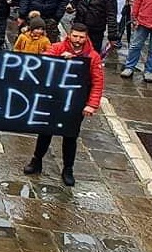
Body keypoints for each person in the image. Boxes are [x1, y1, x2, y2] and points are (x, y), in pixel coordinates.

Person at [22, 24, 103, 187]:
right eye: (75, 36)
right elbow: (43, 61)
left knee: (70, 136)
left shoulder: (93, 56)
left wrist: (92, 105)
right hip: (54, 99)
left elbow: (97, 81)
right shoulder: (58, 48)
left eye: (81, 37)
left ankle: (68, 169)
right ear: (69, 35)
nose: (78, 40)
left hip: (76, 103)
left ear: (86, 37)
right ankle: (36, 161)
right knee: (45, 132)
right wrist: (59, 60)